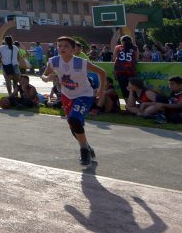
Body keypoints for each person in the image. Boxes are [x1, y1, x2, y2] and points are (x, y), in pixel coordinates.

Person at [40, 36, 107, 166]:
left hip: (84, 95)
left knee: (74, 119)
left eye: (66, 46)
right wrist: (46, 78)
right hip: (67, 95)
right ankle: (87, 147)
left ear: (73, 49)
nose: (62, 48)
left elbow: (102, 72)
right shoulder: (54, 61)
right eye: (59, 46)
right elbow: (43, 75)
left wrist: (100, 90)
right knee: (73, 125)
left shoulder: (80, 62)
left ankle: (84, 151)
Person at [112, 35, 139, 99]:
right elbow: (136, 60)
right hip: (131, 71)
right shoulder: (135, 48)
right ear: (131, 41)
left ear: (122, 41)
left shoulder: (117, 47)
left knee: (124, 91)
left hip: (120, 71)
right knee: (132, 90)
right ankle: (134, 103)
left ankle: (126, 104)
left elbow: (113, 58)